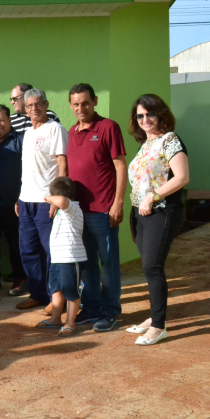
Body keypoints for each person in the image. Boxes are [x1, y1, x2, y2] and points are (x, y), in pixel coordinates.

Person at [126, 94, 189, 346]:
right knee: (148, 267)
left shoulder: (169, 140)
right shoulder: (145, 144)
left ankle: (159, 326)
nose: (144, 119)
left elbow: (182, 177)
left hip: (162, 211)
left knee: (153, 268)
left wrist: (152, 196)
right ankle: (152, 318)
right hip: (141, 214)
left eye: (149, 114)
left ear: (160, 114)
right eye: (139, 115)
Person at [66, 84, 127, 332]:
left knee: (107, 262)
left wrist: (118, 203)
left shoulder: (108, 127)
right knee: (86, 262)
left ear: (95, 101)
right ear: (71, 106)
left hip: (103, 210)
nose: (81, 108)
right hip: (78, 212)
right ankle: (91, 307)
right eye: (76, 104)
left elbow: (120, 166)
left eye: (85, 103)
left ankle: (110, 310)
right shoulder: (71, 131)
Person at [15, 88, 68, 311]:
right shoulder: (27, 134)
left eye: (38, 104)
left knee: (51, 251)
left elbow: (63, 165)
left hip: (47, 202)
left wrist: (59, 197)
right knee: (28, 250)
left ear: (46, 105)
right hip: (26, 201)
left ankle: (57, 297)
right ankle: (38, 294)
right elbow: (28, 169)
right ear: (25, 109)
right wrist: (19, 197)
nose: (34, 109)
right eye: (29, 106)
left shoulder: (55, 129)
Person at [0, 105, 27, 295]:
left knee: (16, 244)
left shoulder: (21, 141)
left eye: (1, 120)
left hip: (14, 204)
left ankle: (20, 279)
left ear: (9, 120)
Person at [35, 177, 87, 336]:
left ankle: (70, 322)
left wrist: (50, 198)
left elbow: (63, 200)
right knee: (56, 289)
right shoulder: (61, 210)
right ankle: (55, 318)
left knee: (71, 292)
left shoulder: (73, 208)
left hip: (70, 260)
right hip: (57, 259)